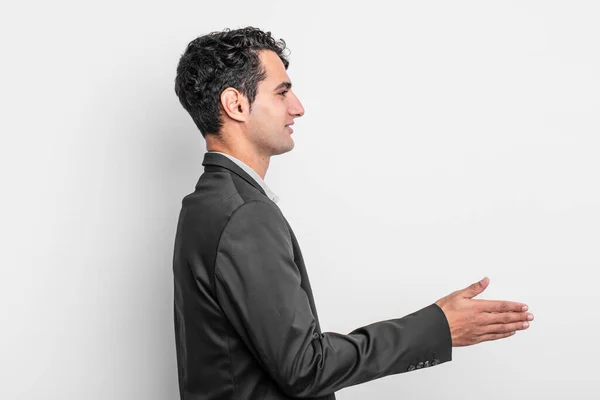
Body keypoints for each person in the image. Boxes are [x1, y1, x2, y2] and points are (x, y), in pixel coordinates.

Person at [172, 26, 534, 400]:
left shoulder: (207, 203)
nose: (298, 107)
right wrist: (438, 327)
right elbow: (304, 368)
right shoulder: (244, 215)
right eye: (282, 92)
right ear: (236, 105)